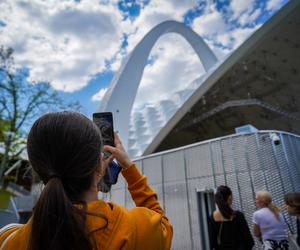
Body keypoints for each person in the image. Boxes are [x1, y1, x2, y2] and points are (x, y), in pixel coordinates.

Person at [0, 112, 173, 250]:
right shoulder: (134, 229)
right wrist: (129, 168)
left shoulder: (9, 240)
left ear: (38, 167)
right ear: (99, 166)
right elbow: (163, 225)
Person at [208, 185, 254, 250]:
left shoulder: (212, 218)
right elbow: (249, 241)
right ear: (230, 198)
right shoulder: (238, 216)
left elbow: (212, 243)